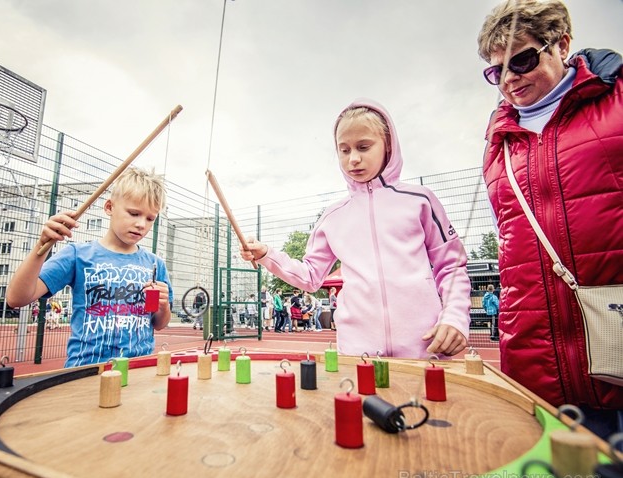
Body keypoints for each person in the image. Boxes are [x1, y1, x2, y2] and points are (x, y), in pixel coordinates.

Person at [477, 0, 622, 438]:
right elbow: (511, 242)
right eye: (495, 70)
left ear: (562, 44)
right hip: (537, 360)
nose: (508, 78)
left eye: (521, 60)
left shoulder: (616, 102)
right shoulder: (497, 141)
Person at [241, 99, 470, 358]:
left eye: (364, 146)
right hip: (357, 353)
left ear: (388, 146)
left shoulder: (420, 201)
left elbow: (451, 266)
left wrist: (454, 317)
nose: (354, 159)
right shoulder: (333, 217)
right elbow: (310, 276)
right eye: (344, 150)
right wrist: (266, 255)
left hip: (424, 347)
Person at [5, 167, 173, 367]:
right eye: (134, 213)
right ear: (109, 207)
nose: (141, 224)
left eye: (150, 218)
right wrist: (41, 246)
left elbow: (159, 324)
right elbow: (16, 298)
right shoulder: (77, 255)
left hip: (139, 369)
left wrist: (163, 307)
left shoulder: (155, 264)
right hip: (85, 369)